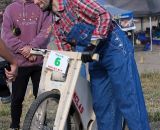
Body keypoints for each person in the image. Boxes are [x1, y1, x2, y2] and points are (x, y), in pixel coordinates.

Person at [33, 0, 150, 130]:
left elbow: (104, 15)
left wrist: (94, 41)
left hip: (114, 48)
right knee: (102, 105)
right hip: (94, 57)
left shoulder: (74, 2)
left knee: (128, 99)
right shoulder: (56, 24)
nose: (35, 2)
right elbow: (67, 53)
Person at [1, 0, 52, 129]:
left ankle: (41, 124)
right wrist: (25, 49)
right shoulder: (10, 9)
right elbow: (6, 36)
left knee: (40, 96)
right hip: (18, 63)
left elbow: (46, 32)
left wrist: (33, 48)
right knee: (17, 98)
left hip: (40, 62)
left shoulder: (42, 5)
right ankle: (14, 125)